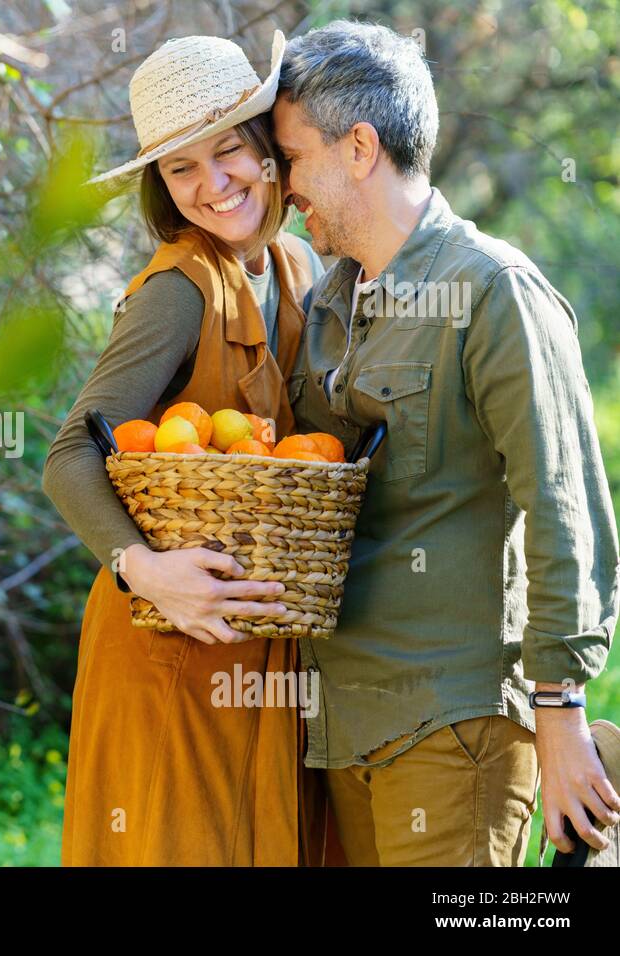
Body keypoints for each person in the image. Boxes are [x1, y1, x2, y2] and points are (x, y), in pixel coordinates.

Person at [272, 18, 620, 865]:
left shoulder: (494, 291)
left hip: (452, 728)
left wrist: (563, 714)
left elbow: (563, 505)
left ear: (359, 147)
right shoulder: (327, 307)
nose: (283, 188)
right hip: (340, 729)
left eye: (291, 159)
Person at [42, 31, 336, 865]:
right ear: (160, 186)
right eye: (181, 168)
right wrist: (148, 571)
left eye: (229, 150)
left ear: (268, 149)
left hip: (260, 641)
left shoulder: (298, 266)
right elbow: (70, 455)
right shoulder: (178, 289)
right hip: (169, 641)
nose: (212, 185)